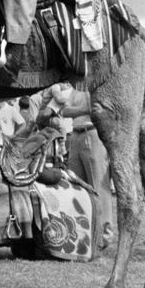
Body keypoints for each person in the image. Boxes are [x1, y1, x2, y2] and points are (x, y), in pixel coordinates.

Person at [56, 88, 113, 249]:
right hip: (75, 134)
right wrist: (84, 110)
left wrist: (77, 111)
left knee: (99, 186)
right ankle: (81, 231)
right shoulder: (77, 89)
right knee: (76, 186)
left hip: (93, 134)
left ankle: (104, 234)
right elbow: (64, 111)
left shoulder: (98, 87)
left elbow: (99, 111)